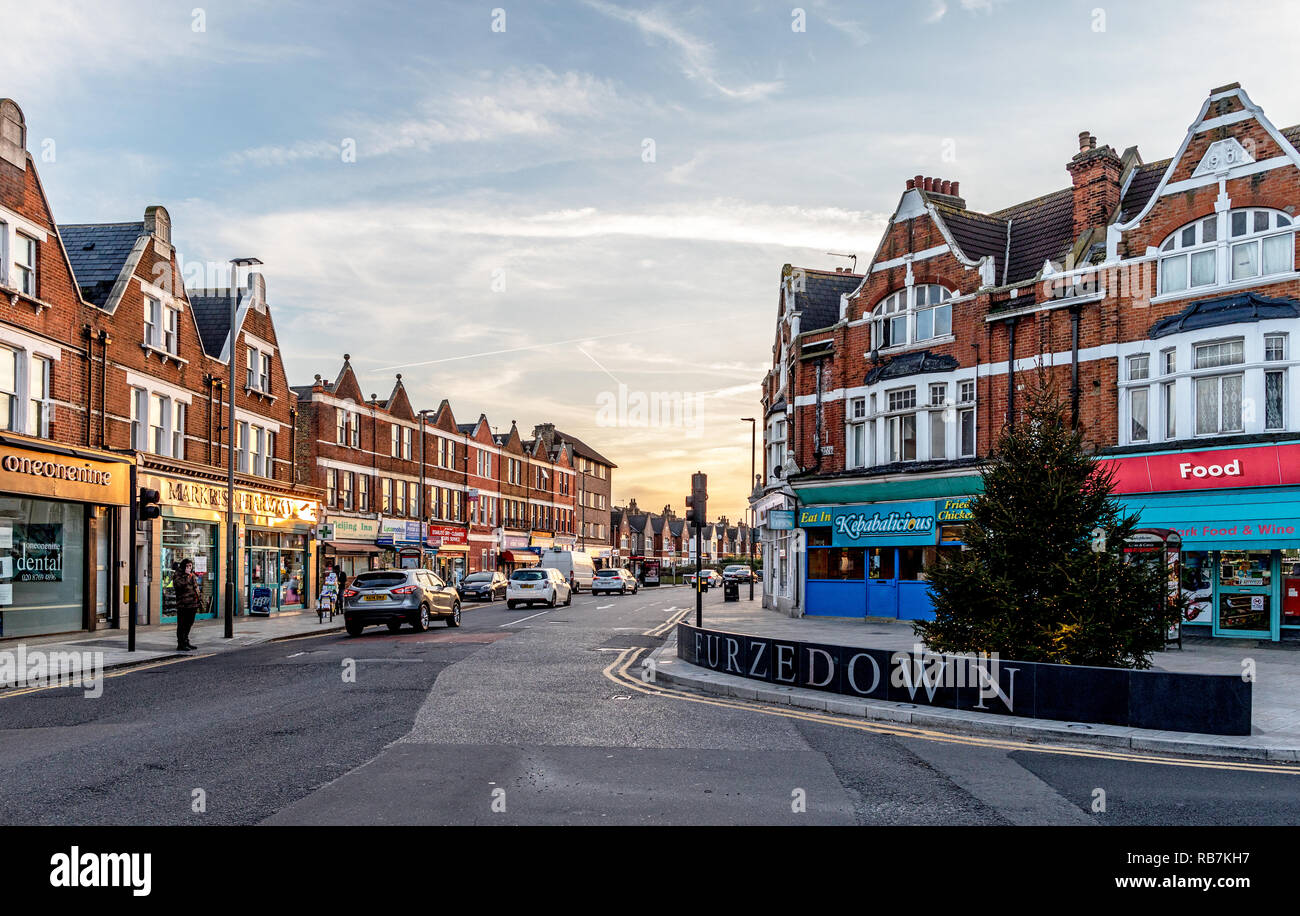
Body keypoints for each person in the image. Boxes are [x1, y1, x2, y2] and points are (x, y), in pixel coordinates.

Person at [173, 558, 203, 651]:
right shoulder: (178, 574)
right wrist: (186, 575)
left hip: (192, 604)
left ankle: (186, 641)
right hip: (183, 604)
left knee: (189, 624)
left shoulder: (192, 575)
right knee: (182, 625)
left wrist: (199, 600)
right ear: (183, 566)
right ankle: (181, 644)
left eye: (190, 566)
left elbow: (196, 588)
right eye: (187, 566)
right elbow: (179, 585)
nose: (189, 567)